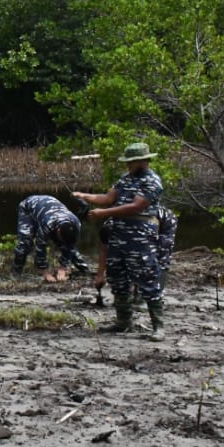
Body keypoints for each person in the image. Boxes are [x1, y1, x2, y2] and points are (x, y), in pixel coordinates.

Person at [73, 142, 167, 340]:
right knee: (117, 277)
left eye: (132, 162)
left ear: (143, 161)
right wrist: (85, 196)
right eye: (128, 162)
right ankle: (123, 322)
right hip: (118, 235)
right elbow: (108, 198)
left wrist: (103, 214)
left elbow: (136, 206)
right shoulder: (125, 179)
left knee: (147, 277)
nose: (129, 166)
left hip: (140, 235)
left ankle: (158, 327)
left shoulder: (152, 181)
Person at [12, 195, 89, 282]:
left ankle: (85, 270)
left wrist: (63, 267)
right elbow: (40, 247)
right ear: (58, 230)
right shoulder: (48, 224)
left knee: (66, 245)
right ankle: (16, 274)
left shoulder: (76, 224)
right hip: (28, 207)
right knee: (25, 242)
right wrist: (45, 272)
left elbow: (70, 246)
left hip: (50, 208)